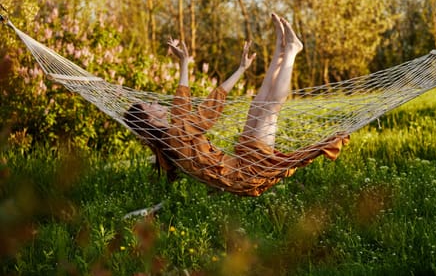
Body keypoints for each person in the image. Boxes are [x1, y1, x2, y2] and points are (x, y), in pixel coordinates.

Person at [124, 14, 348, 196]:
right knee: (269, 110)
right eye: (149, 105)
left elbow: (181, 101)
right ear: (150, 118)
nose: (154, 101)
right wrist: (238, 72)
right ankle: (291, 51)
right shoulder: (174, 136)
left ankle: (281, 48)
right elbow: (207, 112)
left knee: (258, 107)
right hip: (246, 173)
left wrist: (185, 62)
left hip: (239, 162)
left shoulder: (173, 133)